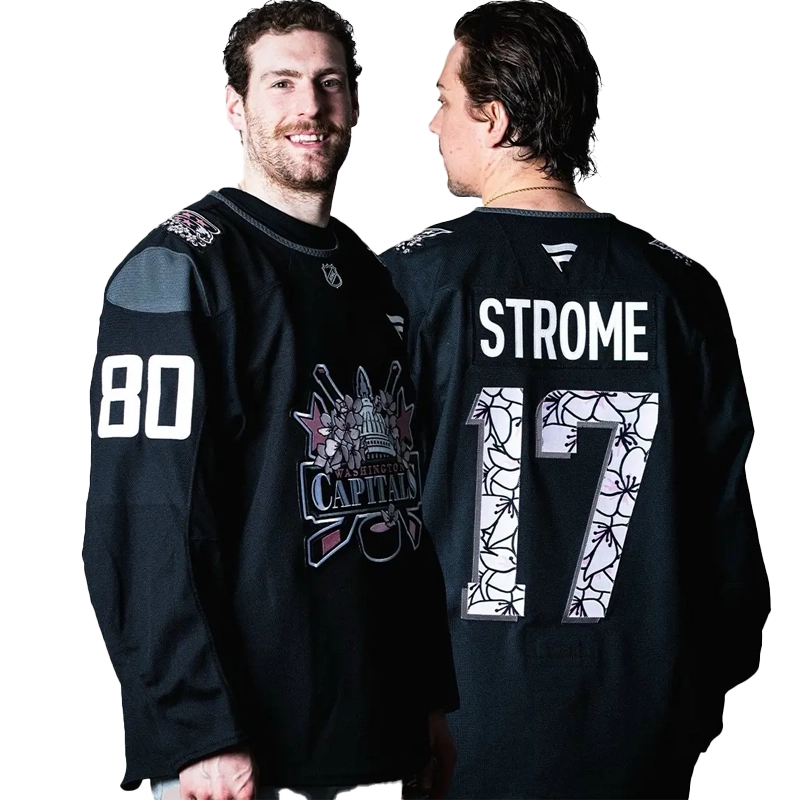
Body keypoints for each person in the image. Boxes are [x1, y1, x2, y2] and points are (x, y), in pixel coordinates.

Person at [379, 1, 770, 798]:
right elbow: (730, 556)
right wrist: (686, 707)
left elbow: (363, 536)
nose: (433, 123)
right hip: (641, 726)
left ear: (493, 119)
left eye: (446, 100)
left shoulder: (412, 282)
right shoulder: (681, 290)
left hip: (465, 726)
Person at [83, 2, 458, 799]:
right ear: (235, 105)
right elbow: (140, 528)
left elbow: (406, 510)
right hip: (240, 757)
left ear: (354, 103)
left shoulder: (371, 278)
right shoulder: (178, 270)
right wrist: (198, 733)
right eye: (281, 83)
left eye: (329, 83)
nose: (309, 107)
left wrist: (428, 699)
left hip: (378, 739)